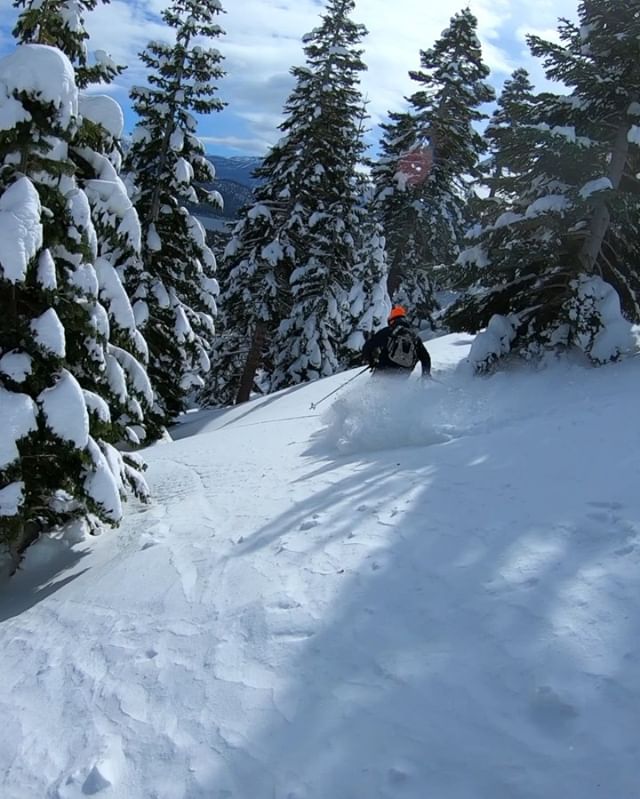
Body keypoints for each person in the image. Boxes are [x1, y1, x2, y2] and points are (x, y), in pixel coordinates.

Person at [362, 305, 431, 378]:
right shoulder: (414, 337)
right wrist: (425, 375)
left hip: (383, 371)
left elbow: (368, 346)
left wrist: (371, 362)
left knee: (372, 388)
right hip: (403, 375)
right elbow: (425, 358)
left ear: (392, 320)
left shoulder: (388, 331)